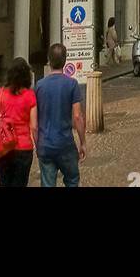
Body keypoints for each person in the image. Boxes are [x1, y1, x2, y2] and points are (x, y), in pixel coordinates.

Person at [35, 44, 86, 188]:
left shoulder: (39, 85)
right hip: (65, 143)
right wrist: (83, 142)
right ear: (65, 60)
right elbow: (77, 117)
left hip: (45, 144)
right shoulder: (72, 84)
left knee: (47, 184)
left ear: (49, 60)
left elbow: (34, 122)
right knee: (72, 180)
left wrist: (37, 143)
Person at [0, 57, 37, 188]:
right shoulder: (30, 95)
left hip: (3, 147)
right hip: (23, 148)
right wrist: (37, 144)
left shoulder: (0, 94)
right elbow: (34, 126)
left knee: (4, 183)